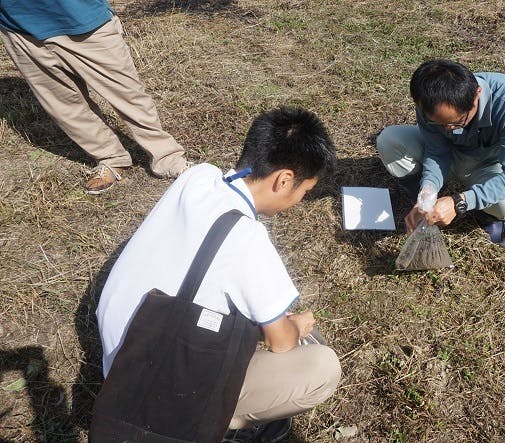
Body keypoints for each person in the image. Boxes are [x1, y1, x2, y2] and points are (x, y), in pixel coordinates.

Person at [96, 107, 341, 442]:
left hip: (120, 357)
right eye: (305, 191)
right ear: (284, 180)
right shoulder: (248, 239)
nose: (299, 201)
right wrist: (296, 326)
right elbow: (281, 341)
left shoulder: (198, 176)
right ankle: (220, 422)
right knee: (321, 368)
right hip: (155, 389)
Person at [0, 0, 189, 194]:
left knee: (128, 94)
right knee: (64, 107)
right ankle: (110, 157)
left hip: (81, 18)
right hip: (18, 28)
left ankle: (167, 157)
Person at [377, 59, 505, 247]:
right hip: (452, 156)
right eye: (439, 123)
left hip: (486, 165)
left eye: (457, 122)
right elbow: (437, 151)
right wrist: (428, 190)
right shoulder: (428, 101)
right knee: (389, 140)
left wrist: (461, 202)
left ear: (477, 95)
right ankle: (418, 191)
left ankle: (486, 214)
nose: (449, 129)